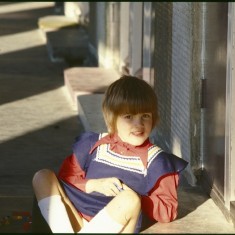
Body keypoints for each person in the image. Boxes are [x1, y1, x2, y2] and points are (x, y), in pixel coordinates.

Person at [32, 75, 188, 233]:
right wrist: (93, 184)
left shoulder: (156, 160)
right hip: (74, 219)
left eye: (145, 116)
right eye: (129, 117)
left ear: (153, 118)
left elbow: (168, 210)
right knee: (42, 177)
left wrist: (135, 195)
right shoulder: (93, 145)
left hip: (115, 225)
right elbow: (66, 177)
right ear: (111, 118)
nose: (139, 124)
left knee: (129, 200)